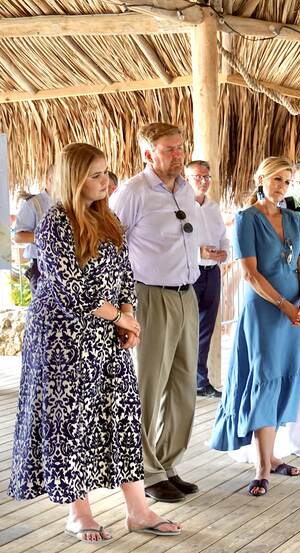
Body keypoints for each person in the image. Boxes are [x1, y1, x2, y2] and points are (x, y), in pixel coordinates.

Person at [9, 143, 181, 542]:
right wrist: (120, 317)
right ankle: (78, 513)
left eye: (106, 173)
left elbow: (124, 272)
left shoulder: (107, 219)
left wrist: (128, 315)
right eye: (96, 175)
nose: (105, 181)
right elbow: (70, 291)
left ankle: (138, 510)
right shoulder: (55, 223)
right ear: (74, 178)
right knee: (71, 420)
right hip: (62, 339)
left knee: (121, 415)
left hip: (105, 334)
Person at [110, 122, 202, 503]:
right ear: (149, 154)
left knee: (183, 387)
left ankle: (167, 464)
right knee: (149, 387)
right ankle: (145, 473)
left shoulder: (186, 189)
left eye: (181, 148)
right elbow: (112, 248)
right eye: (169, 149)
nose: (178, 155)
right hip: (149, 296)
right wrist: (122, 308)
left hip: (187, 295)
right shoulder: (133, 192)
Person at [209, 156, 300, 497]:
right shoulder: (246, 219)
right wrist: (283, 305)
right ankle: (262, 467)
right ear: (260, 179)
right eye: (275, 179)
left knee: (283, 377)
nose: (281, 186)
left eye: (286, 180)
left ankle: (273, 454)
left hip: (294, 312)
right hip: (265, 310)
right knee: (264, 378)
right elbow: (250, 274)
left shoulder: (295, 219)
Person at [186, 160, 230, 398]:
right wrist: (198, 252)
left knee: (206, 328)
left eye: (206, 176)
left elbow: (223, 236)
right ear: (187, 178)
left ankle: (201, 381)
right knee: (186, 328)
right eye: (197, 177)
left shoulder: (213, 207)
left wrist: (224, 252)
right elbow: (175, 241)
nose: (203, 181)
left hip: (212, 272)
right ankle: (183, 382)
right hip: (189, 272)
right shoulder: (182, 206)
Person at [13, 164, 55, 294]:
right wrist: (48, 239)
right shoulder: (33, 203)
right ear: (50, 178)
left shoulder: (69, 203)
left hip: (64, 265)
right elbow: (18, 236)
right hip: (40, 265)